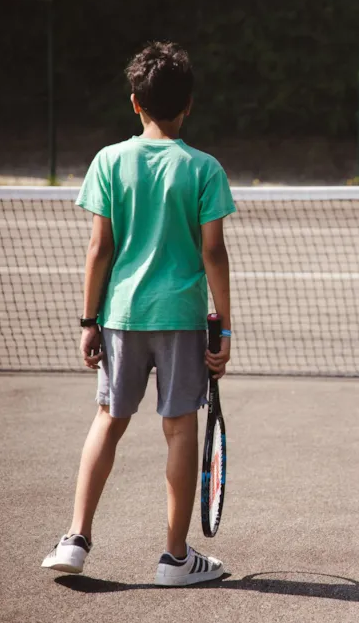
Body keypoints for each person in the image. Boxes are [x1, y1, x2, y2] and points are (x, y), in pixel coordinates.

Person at [40, 41, 235, 587]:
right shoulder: (204, 168)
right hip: (181, 317)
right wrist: (223, 326)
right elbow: (213, 251)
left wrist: (88, 321)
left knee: (108, 419)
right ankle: (175, 558)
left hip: (121, 315)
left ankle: (75, 539)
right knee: (179, 429)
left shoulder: (108, 160)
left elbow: (99, 248)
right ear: (189, 104)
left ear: (135, 102)